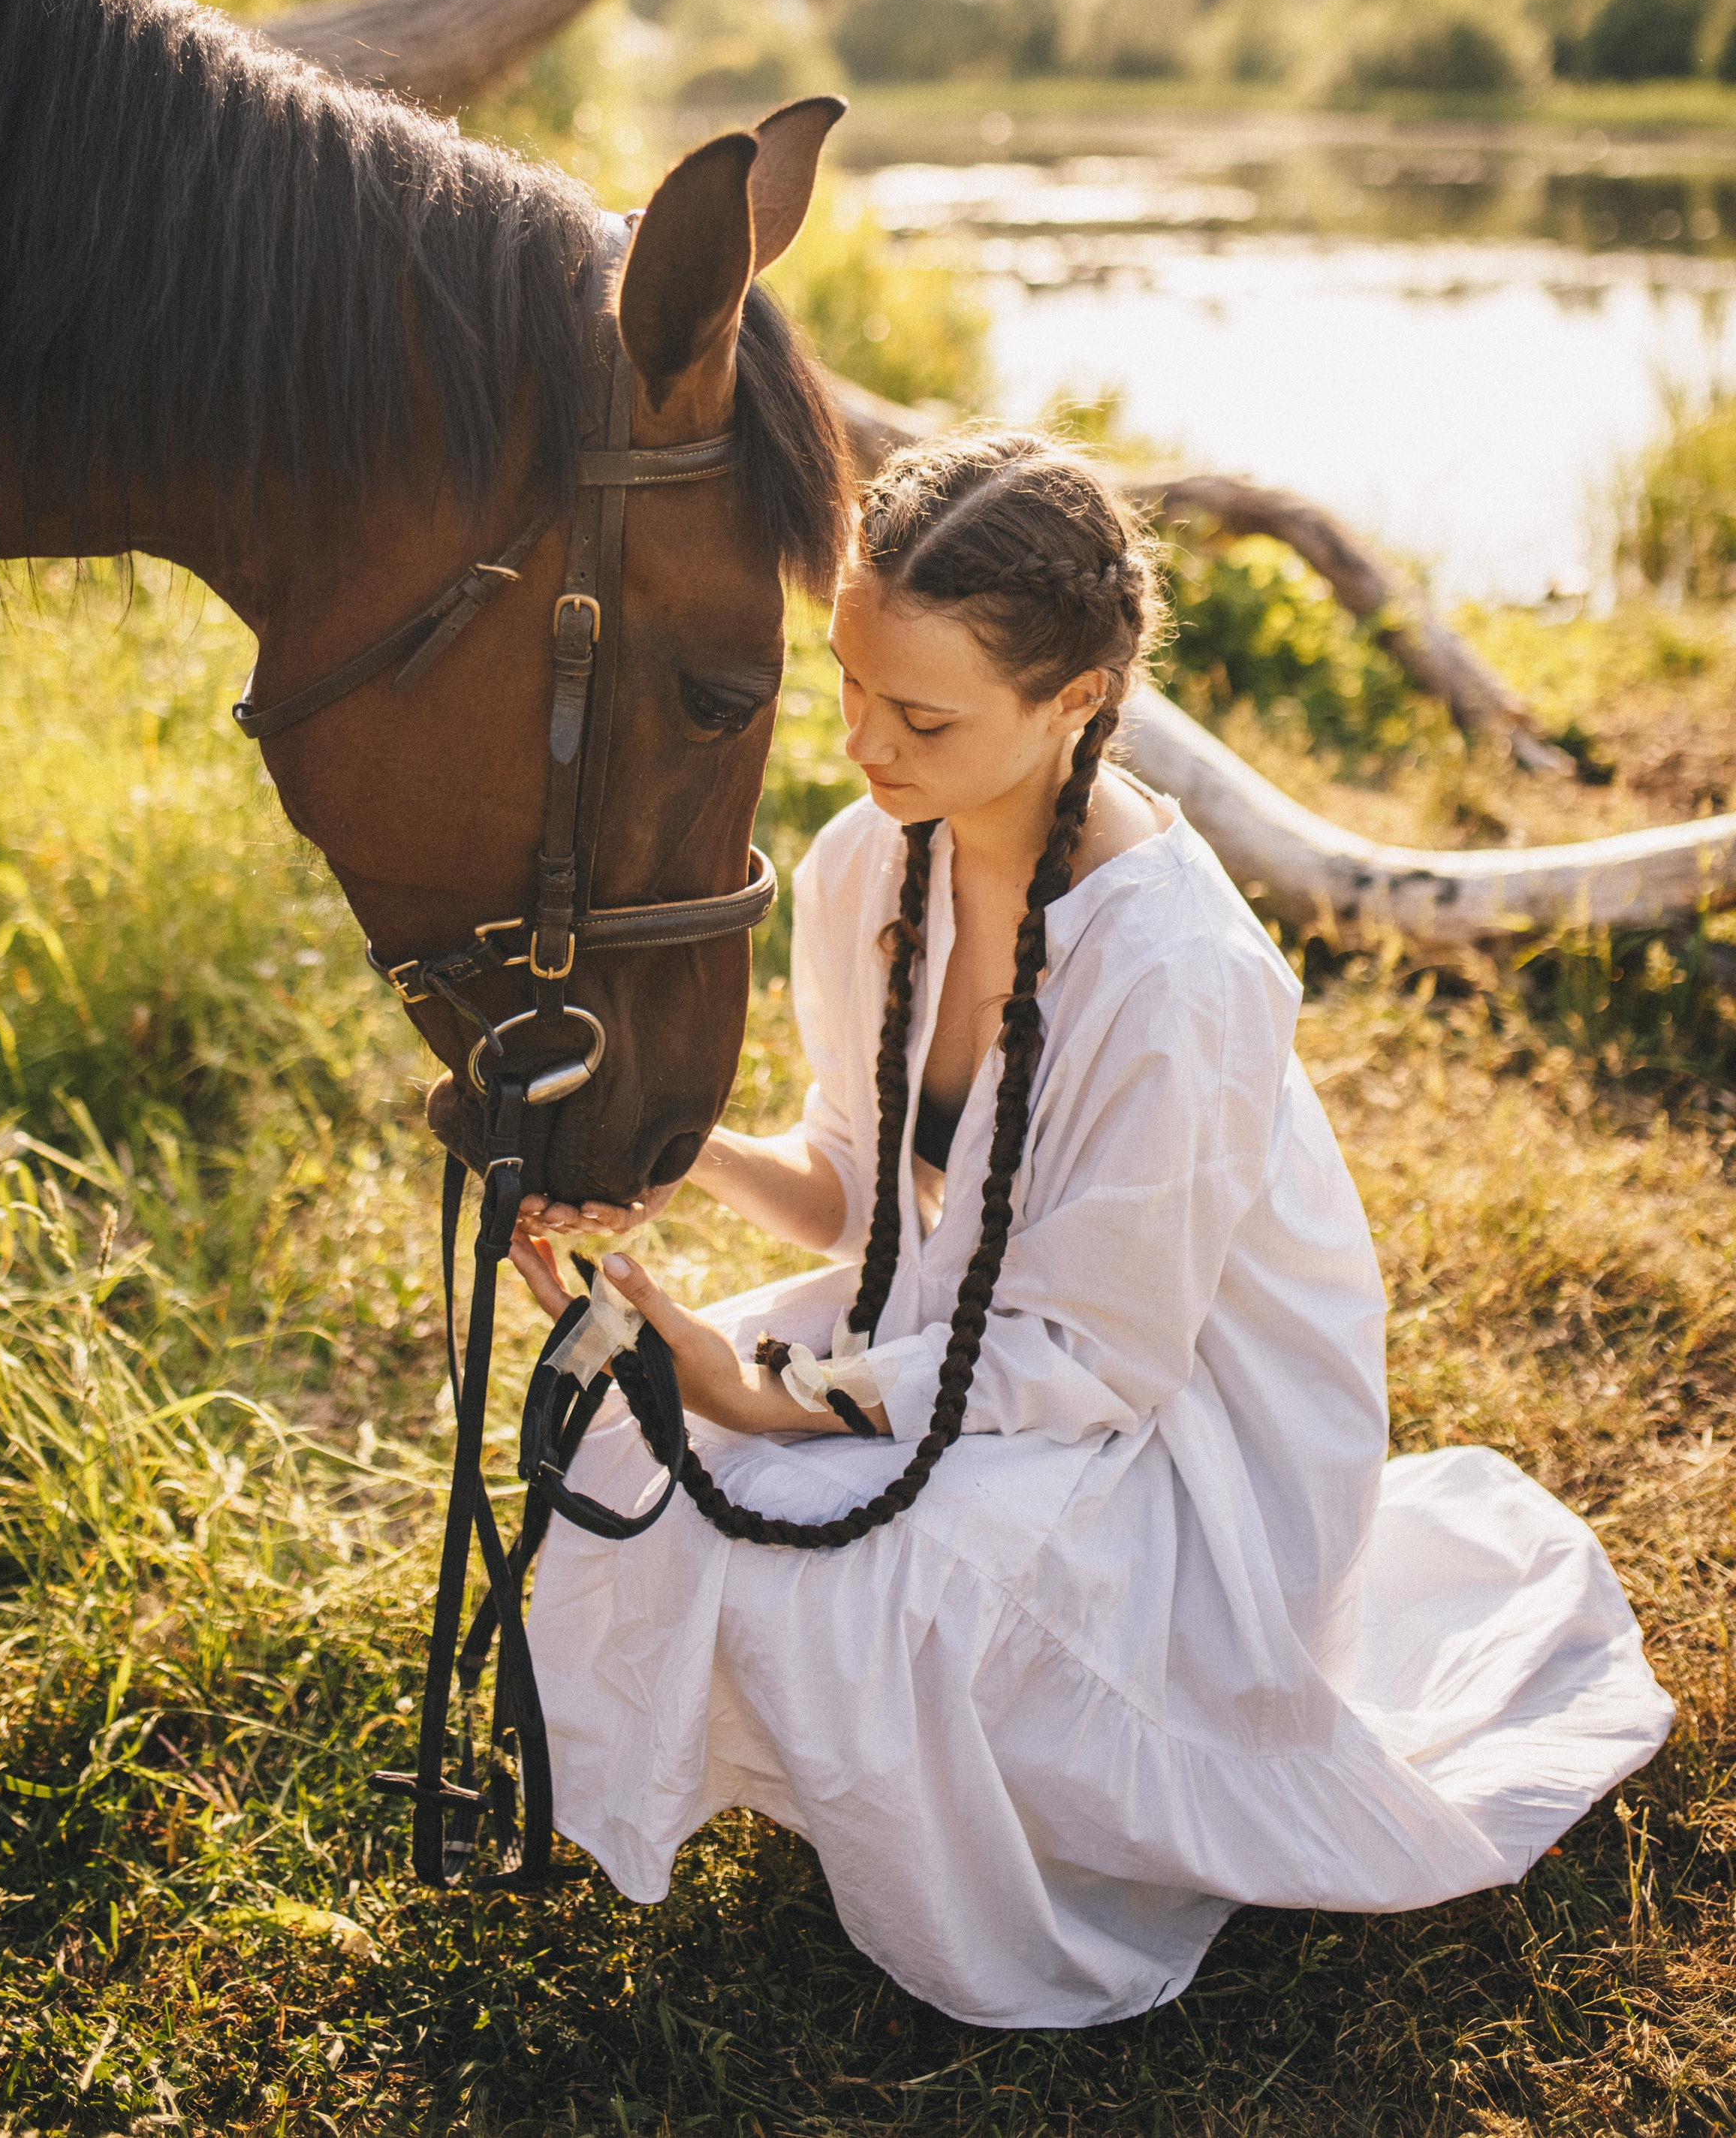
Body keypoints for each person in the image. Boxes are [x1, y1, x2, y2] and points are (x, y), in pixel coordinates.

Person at [508, 430, 1671, 2030]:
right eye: (847, 682)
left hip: (1172, 1424)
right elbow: (857, 1184)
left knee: (876, 1583)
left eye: (919, 714)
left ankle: (1046, 1830)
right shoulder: (866, 863)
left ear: (1076, 699)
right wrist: (656, 1156)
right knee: (633, 1460)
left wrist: (758, 1387)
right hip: (955, 1321)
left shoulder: (1174, 969)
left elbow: (1090, 1354)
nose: (862, 741)